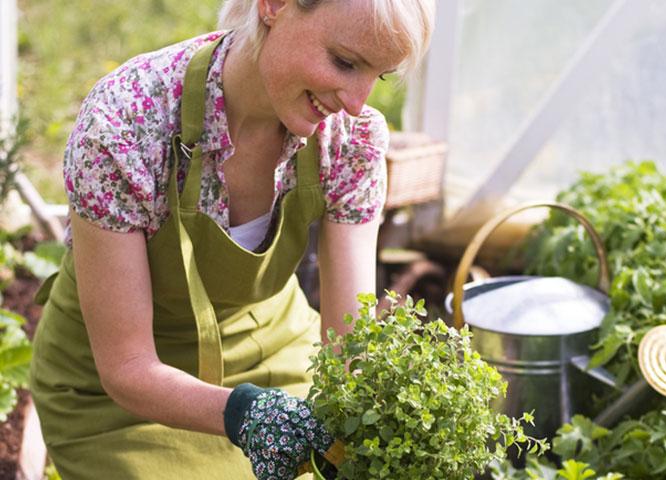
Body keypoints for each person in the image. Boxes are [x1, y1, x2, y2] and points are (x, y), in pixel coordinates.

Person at [29, 0, 435, 478]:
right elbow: (127, 368)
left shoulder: (350, 138)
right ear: (274, 6)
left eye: (378, 76)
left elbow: (349, 348)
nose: (356, 101)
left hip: (273, 353)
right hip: (117, 398)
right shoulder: (125, 124)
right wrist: (243, 414)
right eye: (344, 62)